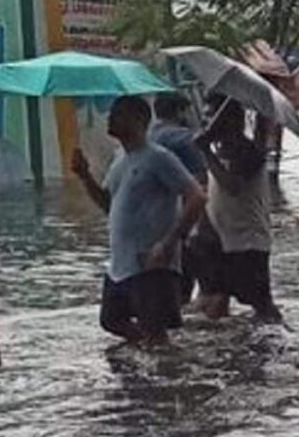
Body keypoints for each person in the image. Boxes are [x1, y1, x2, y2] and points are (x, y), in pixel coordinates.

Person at [71, 96, 207, 346]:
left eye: (117, 114)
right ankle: (145, 360)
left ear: (138, 120)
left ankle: (164, 372)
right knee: (111, 320)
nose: (110, 119)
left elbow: (197, 197)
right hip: (121, 265)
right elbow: (109, 205)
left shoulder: (158, 157)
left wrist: (168, 244)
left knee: (155, 329)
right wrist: (84, 176)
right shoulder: (120, 159)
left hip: (151, 263)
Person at [192, 96, 283, 324]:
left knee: (261, 305)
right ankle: (228, 350)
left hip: (248, 241)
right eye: (205, 119)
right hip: (222, 239)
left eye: (212, 118)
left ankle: (278, 343)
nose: (208, 125)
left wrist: (206, 151)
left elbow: (233, 186)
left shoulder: (249, 152)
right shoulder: (222, 151)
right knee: (214, 299)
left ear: (232, 121)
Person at [150, 93, 208, 305]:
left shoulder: (147, 138)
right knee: (184, 284)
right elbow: (201, 182)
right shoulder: (185, 139)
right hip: (181, 221)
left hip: (150, 221)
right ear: (181, 111)